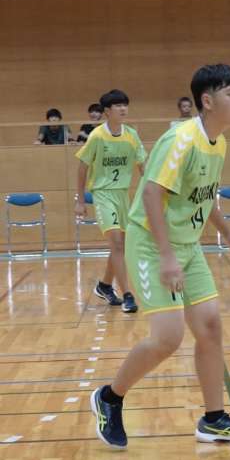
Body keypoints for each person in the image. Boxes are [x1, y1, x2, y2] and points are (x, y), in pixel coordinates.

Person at [90, 64, 230, 449]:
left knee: (211, 327)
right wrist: (167, 256)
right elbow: (152, 193)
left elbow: (204, 195)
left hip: (187, 245)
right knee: (168, 338)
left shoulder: (218, 143)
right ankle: (110, 398)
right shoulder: (180, 139)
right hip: (152, 245)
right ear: (208, 101)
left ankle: (214, 419)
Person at [74, 89, 147, 313]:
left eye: (125, 104)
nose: (123, 109)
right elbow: (82, 167)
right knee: (116, 243)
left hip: (123, 195)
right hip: (103, 194)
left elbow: (143, 167)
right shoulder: (97, 136)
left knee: (120, 246)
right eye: (118, 105)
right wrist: (80, 201)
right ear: (107, 111)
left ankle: (104, 285)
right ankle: (128, 295)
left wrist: (154, 193)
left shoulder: (131, 135)